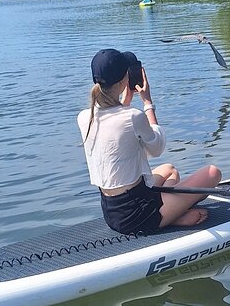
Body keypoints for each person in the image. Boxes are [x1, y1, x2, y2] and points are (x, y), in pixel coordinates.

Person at [77, 48, 222, 235]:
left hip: (111, 212)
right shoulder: (133, 116)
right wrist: (148, 102)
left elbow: (118, 141)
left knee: (169, 170)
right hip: (138, 215)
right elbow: (156, 148)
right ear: (124, 81)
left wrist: (125, 101)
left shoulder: (84, 117)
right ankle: (171, 217)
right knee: (213, 173)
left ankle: (173, 210)